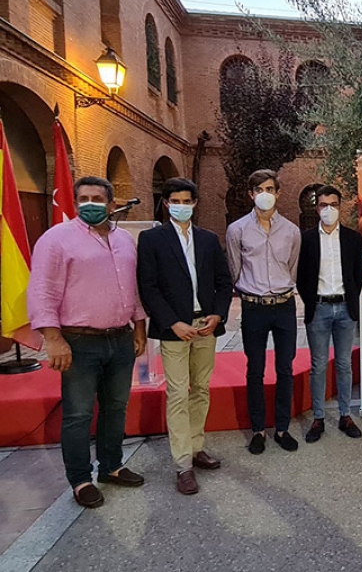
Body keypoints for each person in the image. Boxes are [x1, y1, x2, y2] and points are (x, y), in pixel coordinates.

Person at [27, 176, 147, 509]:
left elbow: (132, 289)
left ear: (111, 204)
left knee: (115, 407)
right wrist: (53, 338)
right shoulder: (57, 239)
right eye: (83, 198)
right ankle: (80, 480)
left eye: (97, 198)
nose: (90, 203)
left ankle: (111, 466)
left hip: (120, 339)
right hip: (79, 341)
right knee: (78, 415)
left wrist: (139, 329)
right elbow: (42, 291)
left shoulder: (125, 240)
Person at [137, 178, 232, 495]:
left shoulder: (207, 239)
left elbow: (223, 280)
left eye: (186, 200)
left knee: (201, 388)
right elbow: (148, 288)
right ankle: (183, 465)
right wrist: (172, 323)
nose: (181, 205)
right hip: (174, 328)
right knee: (177, 394)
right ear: (166, 203)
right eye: (174, 200)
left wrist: (217, 314)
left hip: (206, 325)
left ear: (194, 202)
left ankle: (196, 446)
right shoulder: (152, 240)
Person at [226, 169, 302, 455]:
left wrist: (283, 289)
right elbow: (235, 268)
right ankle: (258, 429)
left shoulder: (292, 231)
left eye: (270, 189)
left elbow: (292, 267)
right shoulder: (237, 229)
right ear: (251, 194)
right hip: (254, 307)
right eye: (259, 189)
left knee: (285, 368)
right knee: (254, 369)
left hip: (284, 306)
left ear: (278, 193)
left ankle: (282, 428)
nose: (265, 194)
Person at [297, 185, 362, 443]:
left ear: (340, 206)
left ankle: (346, 415)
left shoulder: (352, 239)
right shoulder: (306, 240)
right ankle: (317, 418)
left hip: (345, 310)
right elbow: (301, 276)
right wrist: (312, 301)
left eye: (333, 205)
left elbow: (357, 275)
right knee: (317, 365)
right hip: (319, 309)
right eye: (324, 205)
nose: (329, 210)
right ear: (317, 209)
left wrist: (349, 300)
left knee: (344, 364)